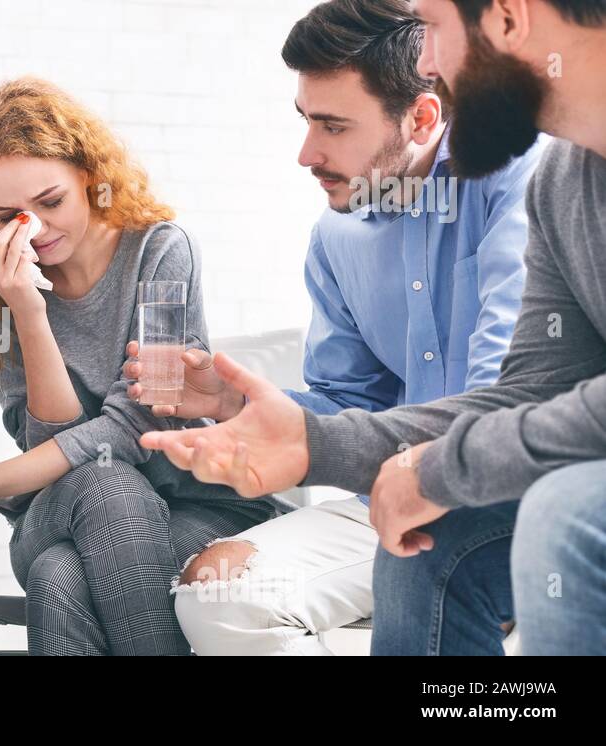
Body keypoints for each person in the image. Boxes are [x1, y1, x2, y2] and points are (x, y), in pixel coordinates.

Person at [141, 0, 606, 656]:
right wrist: (280, 426)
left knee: (558, 518)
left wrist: (430, 468)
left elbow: (522, 403)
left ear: (508, 18)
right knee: (249, 586)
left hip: (526, 480)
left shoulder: (516, 178)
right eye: (306, 122)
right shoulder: (559, 182)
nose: (427, 60)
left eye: (436, 28)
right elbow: (524, 393)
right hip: (436, 479)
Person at [0, 77, 288, 655]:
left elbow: (141, 427)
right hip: (64, 507)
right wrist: (28, 311)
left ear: (89, 178)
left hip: (197, 505)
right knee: (101, 486)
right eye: (7, 217)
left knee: (59, 578)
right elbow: (57, 445)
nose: (34, 230)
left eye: (50, 202)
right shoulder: (0, 290)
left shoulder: (160, 251)